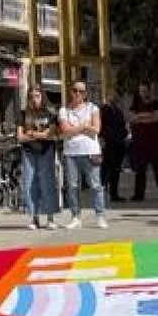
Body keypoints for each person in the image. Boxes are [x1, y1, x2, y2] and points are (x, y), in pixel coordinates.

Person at [58, 81, 109, 229]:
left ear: (86, 93)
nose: (78, 94)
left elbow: (96, 130)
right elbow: (65, 131)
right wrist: (84, 126)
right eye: (75, 90)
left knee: (96, 185)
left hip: (90, 151)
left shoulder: (93, 108)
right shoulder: (64, 110)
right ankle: (75, 217)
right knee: (72, 186)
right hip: (71, 153)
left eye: (81, 91)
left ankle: (100, 216)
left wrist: (76, 129)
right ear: (70, 92)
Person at [17, 86, 60, 230]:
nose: (34, 99)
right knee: (30, 183)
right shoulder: (23, 113)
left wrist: (33, 134)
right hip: (29, 152)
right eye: (31, 96)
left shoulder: (50, 112)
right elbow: (20, 137)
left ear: (42, 96)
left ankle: (50, 217)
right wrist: (39, 135)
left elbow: (52, 134)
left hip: (46, 151)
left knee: (47, 182)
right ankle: (34, 217)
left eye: (37, 95)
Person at [129, 83, 158, 201]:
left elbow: (157, 117)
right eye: (141, 91)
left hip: (156, 143)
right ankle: (138, 195)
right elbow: (131, 118)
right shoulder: (135, 105)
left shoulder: (157, 104)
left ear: (149, 91)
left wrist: (140, 117)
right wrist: (148, 116)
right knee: (140, 171)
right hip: (140, 144)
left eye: (145, 91)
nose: (143, 93)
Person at [99, 90, 130, 202]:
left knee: (115, 170)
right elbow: (100, 127)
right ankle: (101, 192)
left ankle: (114, 194)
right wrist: (101, 139)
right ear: (107, 97)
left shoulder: (118, 111)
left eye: (116, 96)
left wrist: (125, 137)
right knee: (105, 169)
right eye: (112, 96)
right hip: (107, 144)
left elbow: (122, 126)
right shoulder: (103, 110)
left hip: (118, 144)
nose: (114, 98)